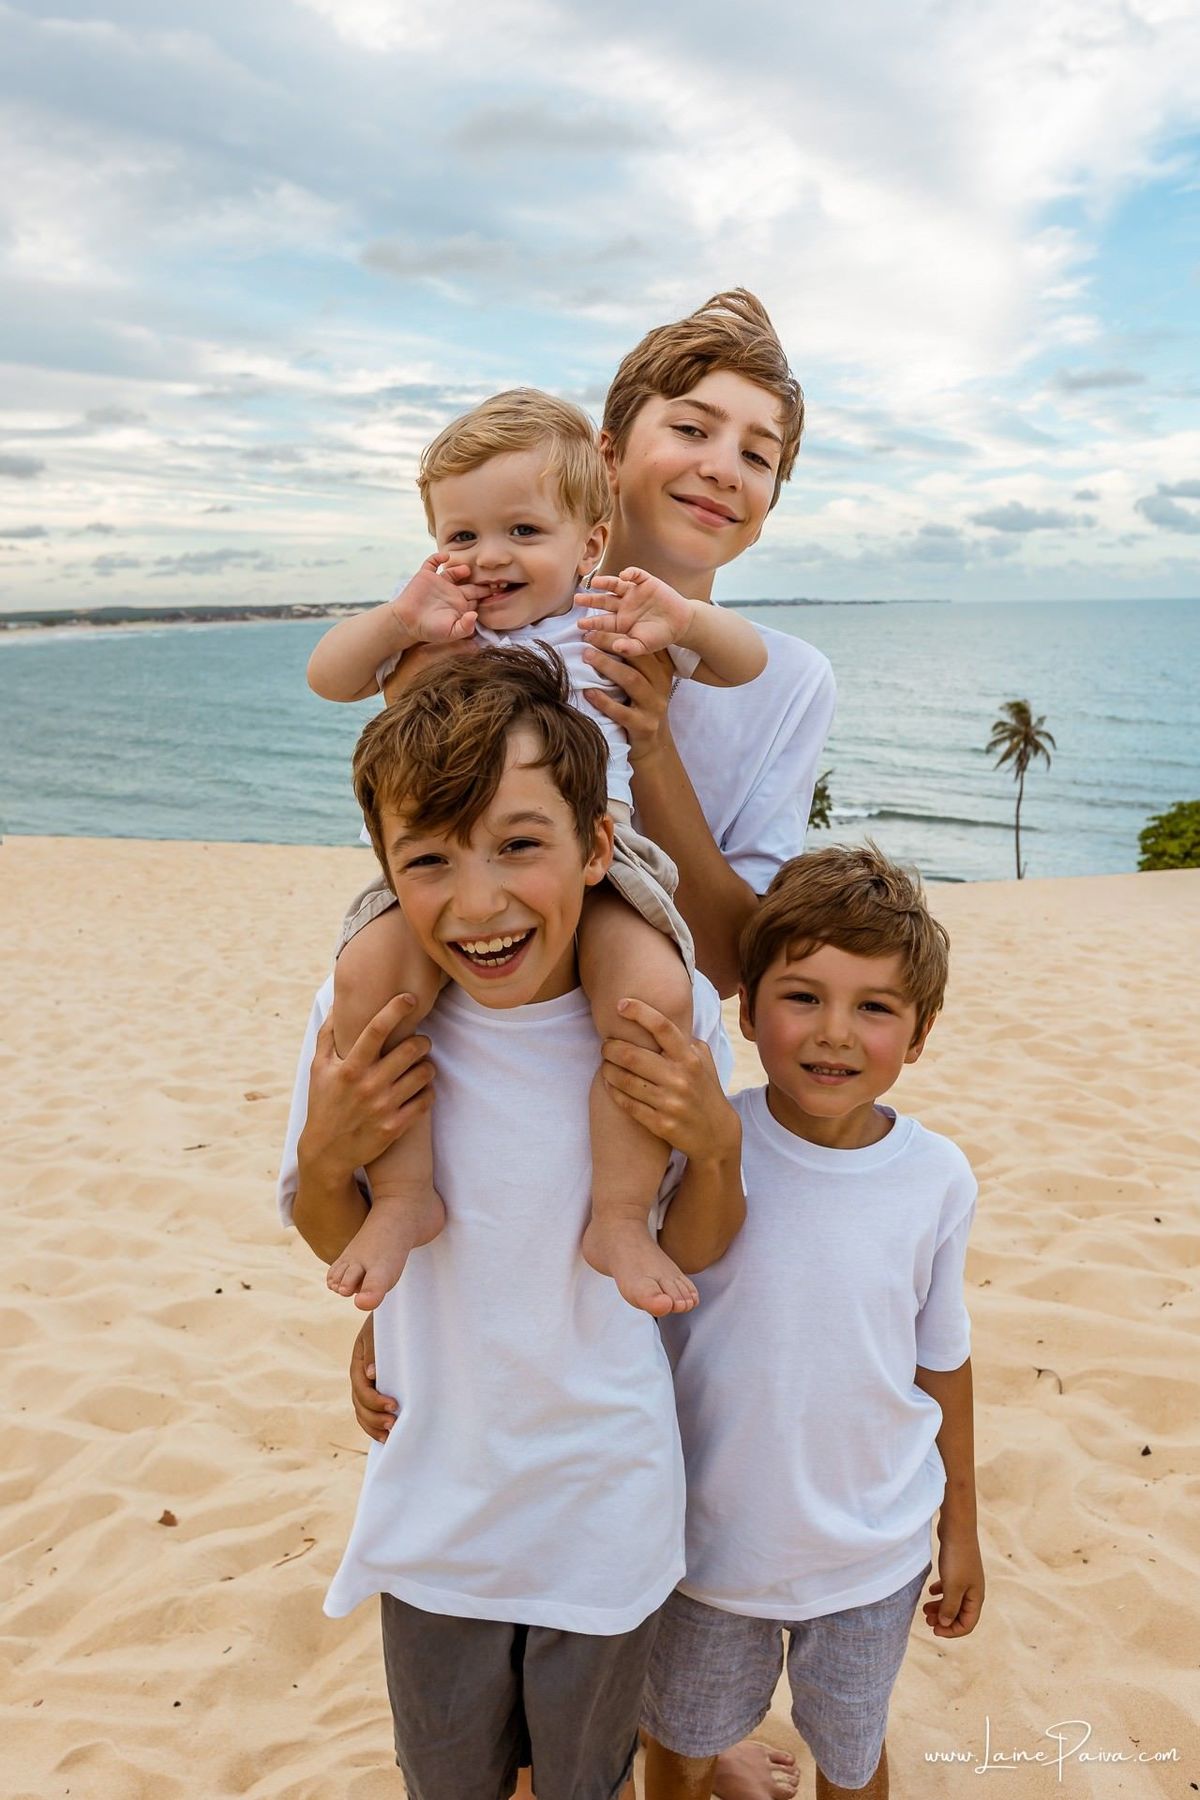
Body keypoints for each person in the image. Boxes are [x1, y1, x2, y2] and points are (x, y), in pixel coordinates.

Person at [326, 288, 837, 1800]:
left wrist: (654, 739)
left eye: (760, 450)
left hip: (643, 1058)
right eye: (692, 427)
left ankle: (679, 1737)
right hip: (480, 1109)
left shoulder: (768, 671)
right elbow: (416, 853)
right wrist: (387, 1266)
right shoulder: (493, 606)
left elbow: (738, 958)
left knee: (675, 1429)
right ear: (610, 453)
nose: (722, 466)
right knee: (525, 1409)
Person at [284, 645, 747, 1798]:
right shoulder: (370, 1015)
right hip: (437, 1502)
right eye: (429, 860)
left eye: (520, 845)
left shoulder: (655, 1016)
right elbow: (330, 1232)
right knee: (448, 1779)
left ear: (595, 848)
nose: (480, 901)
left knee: (586, 1779)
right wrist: (332, 1157)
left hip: (604, 1498)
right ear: (386, 871)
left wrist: (716, 1146)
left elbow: (698, 1254)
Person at [305, 390, 766, 1317]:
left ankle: (621, 1215)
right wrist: (398, 622)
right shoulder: (439, 634)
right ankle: (401, 1195)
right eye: (461, 536)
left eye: (522, 530)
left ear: (590, 543)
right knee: (367, 980)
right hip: (448, 860)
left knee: (652, 994)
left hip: (605, 863)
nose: (489, 558)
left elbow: (743, 661)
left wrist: (680, 617)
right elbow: (329, 677)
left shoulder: (604, 622)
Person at [641, 845, 985, 1800]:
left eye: (875, 1007)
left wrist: (961, 1526)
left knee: (852, 1757)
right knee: (680, 1748)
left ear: (919, 1034)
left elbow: (943, 1361)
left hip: (872, 1557)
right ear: (748, 1010)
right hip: (706, 1555)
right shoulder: (702, 1144)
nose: (835, 1034)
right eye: (803, 997)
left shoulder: (937, 1178)